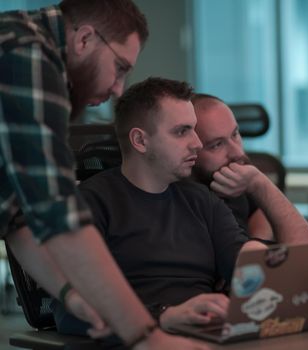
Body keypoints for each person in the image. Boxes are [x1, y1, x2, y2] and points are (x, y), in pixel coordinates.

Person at [0, 1, 206, 349]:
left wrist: (70, 293)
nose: (118, 88)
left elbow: (18, 218)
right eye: (120, 67)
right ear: (84, 39)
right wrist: (147, 336)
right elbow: (59, 215)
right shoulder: (28, 53)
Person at [53, 77, 267, 335]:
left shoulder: (202, 201)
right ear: (140, 141)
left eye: (194, 129)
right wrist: (163, 317)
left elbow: (245, 266)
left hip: (203, 336)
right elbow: (70, 313)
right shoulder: (90, 204)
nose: (197, 143)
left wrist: (260, 257)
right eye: (181, 131)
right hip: (139, 340)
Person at [191, 93, 308, 244]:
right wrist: (260, 184)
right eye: (217, 144)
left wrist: (258, 239)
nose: (237, 152)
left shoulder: (233, 177)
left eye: (235, 134)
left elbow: (259, 211)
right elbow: (305, 251)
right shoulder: (197, 202)